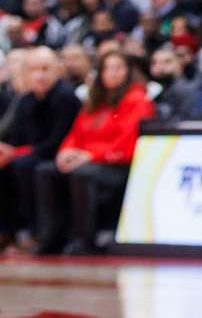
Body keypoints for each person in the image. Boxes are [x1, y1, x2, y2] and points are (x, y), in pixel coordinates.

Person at [33, 51, 153, 255]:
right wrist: (66, 152)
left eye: (118, 68)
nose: (112, 73)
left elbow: (127, 143)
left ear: (128, 72)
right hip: (87, 160)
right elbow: (75, 133)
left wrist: (90, 156)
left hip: (118, 166)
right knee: (46, 171)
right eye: (107, 68)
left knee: (83, 174)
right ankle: (51, 237)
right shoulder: (96, 100)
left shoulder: (137, 99)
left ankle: (84, 240)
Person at [0, 47, 79, 251]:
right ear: (26, 73)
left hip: (58, 155)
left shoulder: (66, 98)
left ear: (57, 70)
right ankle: (8, 231)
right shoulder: (26, 100)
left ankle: (36, 232)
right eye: (34, 69)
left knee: (24, 166)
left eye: (45, 68)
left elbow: (57, 142)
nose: (40, 75)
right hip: (32, 155)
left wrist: (15, 153)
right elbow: (17, 139)